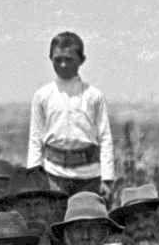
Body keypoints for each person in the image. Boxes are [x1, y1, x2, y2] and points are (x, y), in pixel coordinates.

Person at [25, 33, 111, 191]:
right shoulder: (42, 96)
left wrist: (106, 178)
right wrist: (34, 175)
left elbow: (105, 138)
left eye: (69, 59)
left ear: (81, 60)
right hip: (53, 174)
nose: (63, 65)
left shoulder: (94, 96)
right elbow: (35, 137)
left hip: (89, 176)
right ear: (50, 58)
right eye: (58, 59)